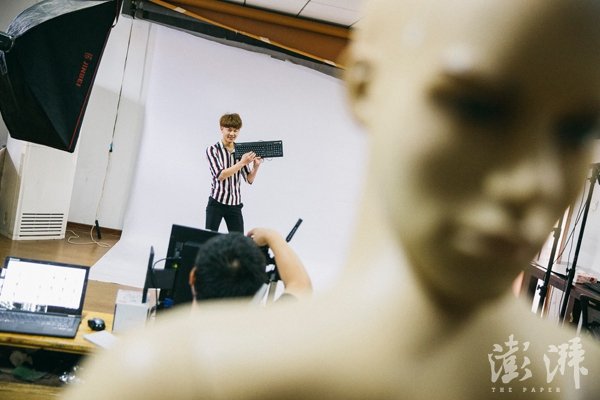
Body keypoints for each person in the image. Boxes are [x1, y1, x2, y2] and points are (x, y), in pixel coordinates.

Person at [62, 0, 600, 399]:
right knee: (213, 238)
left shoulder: (578, 378)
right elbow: (227, 188)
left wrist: (252, 169)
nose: (534, 183)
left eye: (578, 130)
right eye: (476, 108)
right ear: (365, 84)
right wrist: (237, 166)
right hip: (215, 201)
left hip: (236, 203)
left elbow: (262, 218)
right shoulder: (171, 378)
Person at [189, 228, 313, 302]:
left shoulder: (180, 333)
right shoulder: (268, 328)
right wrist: (271, 235)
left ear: (192, 277)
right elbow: (301, 286)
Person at [205, 113, 262, 233]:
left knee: (239, 240)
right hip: (216, 202)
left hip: (235, 204)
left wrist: (256, 166)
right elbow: (220, 175)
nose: (232, 134)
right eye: (229, 130)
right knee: (209, 238)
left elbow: (249, 179)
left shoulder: (240, 150)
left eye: (235, 131)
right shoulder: (212, 150)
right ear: (222, 128)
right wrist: (242, 162)